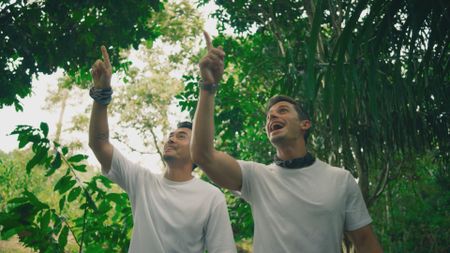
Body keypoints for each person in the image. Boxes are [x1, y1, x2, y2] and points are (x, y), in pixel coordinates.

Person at [191, 32, 383, 253]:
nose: (272, 117)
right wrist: (208, 87)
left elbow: (365, 242)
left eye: (282, 111)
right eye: (269, 116)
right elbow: (202, 156)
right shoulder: (256, 177)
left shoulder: (341, 180)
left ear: (305, 124)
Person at [88, 46, 237, 253]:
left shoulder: (211, 197)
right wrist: (101, 94)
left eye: (181, 136)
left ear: (196, 150)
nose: (172, 139)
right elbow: (99, 144)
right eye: (170, 136)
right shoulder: (142, 182)